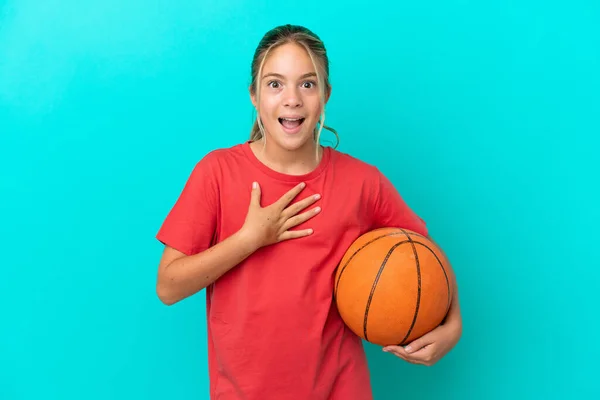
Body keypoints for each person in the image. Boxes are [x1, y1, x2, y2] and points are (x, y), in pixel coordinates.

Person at [155, 24, 462, 400]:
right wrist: (250, 239)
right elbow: (168, 286)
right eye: (274, 84)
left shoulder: (362, 182)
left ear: (325, 95)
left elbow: (424, 252)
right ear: (253, 94)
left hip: (340, 388)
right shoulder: (218, 173)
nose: (292, 99)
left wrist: (453, 323)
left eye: (307, 84)